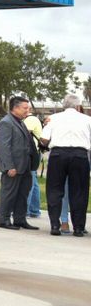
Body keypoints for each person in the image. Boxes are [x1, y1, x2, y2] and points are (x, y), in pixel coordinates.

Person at [42, 93, 91, 236]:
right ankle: (78, 227)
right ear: (78, 105)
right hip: (80, 155)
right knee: (79, 191)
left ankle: (55, 225)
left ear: (64, 105)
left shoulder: (54, 119)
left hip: (58, 154)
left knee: (55, 190)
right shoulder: (87, 119)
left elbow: (44, 139)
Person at [0, 95, 37, 231]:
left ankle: (20, 219)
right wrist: (9, 166)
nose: (27, 111)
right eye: (25, 108)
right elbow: (4, 147)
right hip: (13, 166)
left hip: (24, 166)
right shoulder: (6, 122)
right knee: (9, 193)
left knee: (22, 194)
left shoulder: (20, 121)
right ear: (15, 108)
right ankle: (4, 219)